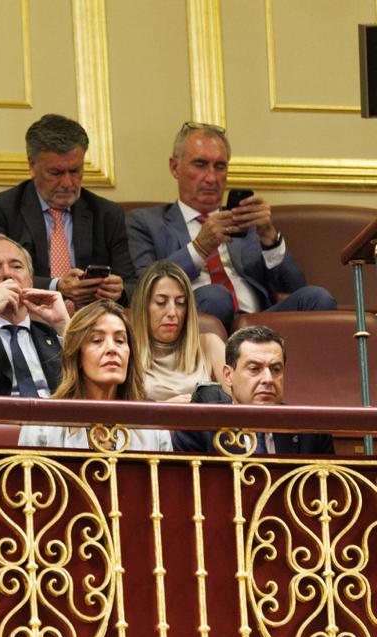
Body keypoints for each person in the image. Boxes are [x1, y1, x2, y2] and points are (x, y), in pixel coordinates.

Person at [126, 121, 335, 331]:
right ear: (174, 167)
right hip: (198, 322)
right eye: (200, 164)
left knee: (318, 297)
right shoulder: (145, 222)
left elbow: (294, 286)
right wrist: (198, 248)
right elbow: (143, 289)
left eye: (219, 166)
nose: (211, 177)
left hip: (258, 323)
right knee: (215, 295)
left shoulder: (245, 220)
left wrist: (269, 237)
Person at [0, 113, 135, 307]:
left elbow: (132, 284)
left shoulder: (107, 214)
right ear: (32, 165)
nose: (67, 183)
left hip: (90, 320)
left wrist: (119, 290)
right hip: (29, 315)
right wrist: (56, 286)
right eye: (56, 173)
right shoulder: (2, 209)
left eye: (75, 171)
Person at [18, 300, 172, 451]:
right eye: (97, 340)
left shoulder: (154, 427)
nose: (112, 349)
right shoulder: (41, 424)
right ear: (77, 355)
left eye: (120, 340)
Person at [172, 325, 334, 454]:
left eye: (276, 369)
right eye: (254, 369)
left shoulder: (311, 431)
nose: (268, 379)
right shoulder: (198, 428)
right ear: (228, 375)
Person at [0, 233, 67, 396]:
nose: (7, 274)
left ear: (30, 281)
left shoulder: (52, 334)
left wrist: (63, 325)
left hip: (57, 418)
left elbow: (86, 384)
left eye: (17, 266)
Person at [130, 260, 225, 402]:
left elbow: (239, 404)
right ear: (143, 307)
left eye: (180, 303)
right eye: (161, 302)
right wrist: (163, 412)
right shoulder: (127, 350)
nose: (172, 312)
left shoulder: (209, 345)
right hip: (147, 424)